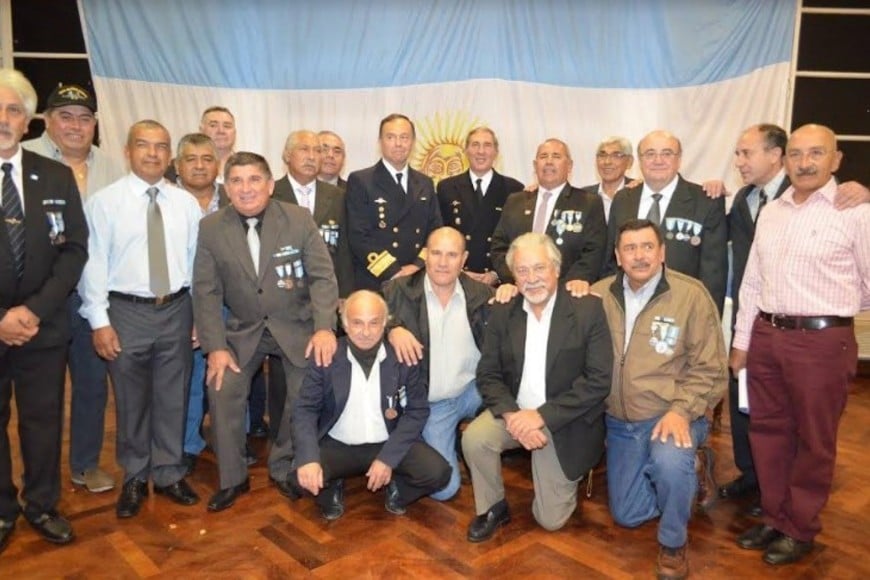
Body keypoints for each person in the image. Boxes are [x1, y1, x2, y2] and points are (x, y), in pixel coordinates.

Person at [730, 124, 870, 566]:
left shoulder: (856, 212)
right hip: (768, 336)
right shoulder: (773, 211)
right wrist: (742, 342)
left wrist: (833, 309)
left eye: (816, 153)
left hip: (822, 342)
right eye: (795, 154)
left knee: (814, 439)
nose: (804, 163)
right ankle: (774, 516)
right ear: (784, 160)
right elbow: (752, 281)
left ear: (836, 159)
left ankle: (800, 527)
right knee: (769, 432)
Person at [192, 151, 339, 512]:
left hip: (297, 326)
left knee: (303, 395)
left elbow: (323, 276)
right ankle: (233, 477)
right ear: (226, 188)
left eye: (254, 179)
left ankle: (285, 465)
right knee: (222, 388)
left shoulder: (298, 219)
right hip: (243, 330)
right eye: (237, 181)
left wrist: (324, 329)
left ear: (270, 185)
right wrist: (215, 347)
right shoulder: (211, 228)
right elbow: (206, 290)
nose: (246, 189)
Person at [591, 219, 727, 580]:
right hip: (620, 423)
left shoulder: (691, 295)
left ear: (662, 253)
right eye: (630, 249)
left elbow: (711, 368)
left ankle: (673, 543)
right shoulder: (598, 295)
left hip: (672, 414)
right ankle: (692, 471)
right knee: (628, 515)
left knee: (668, 461)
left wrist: (681, 411)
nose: (639, 256)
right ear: (618, 257)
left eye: (647, 247)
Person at [79, 120, 202, 518]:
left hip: (177, 308)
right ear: (128, 151)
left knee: (173, 394)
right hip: (126, 311)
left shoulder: (185, 203)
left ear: (170, 155)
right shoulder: (105, 202)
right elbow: (93, 264)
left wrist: (198, 315)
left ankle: (167, 472)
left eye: (161, 146)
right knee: (131, 401)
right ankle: (134, 474)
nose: (153, 153)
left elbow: (195, 263)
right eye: (144, 146)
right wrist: (99, 320)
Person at [462, 233, 612, 542]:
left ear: (557, 269)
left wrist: (541, 417)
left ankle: (566, 475)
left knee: (550, 520)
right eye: (522, 271)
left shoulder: (587, 310)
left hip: (565, 421)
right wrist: (513, 416)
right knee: (475, 438)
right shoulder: (503, 311)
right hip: (516, 412)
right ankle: (493, 507)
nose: (531, 279)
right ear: (513, 276)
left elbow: (598, 381)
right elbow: (488, 374)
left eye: (539, 268)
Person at [0, 69, 87, 551]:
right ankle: (0, 509)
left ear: (29, 120)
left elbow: (74, 250)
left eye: (14, 109)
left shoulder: (54, 175)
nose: (4, 118)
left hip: (43, 328)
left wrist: (32, 312)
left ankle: (41, 504)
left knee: (42, 419)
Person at [22, 83, 123, 494]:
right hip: (38, 299)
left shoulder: (112, 167)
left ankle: (84, 464)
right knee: (37, 398)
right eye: (65, 116)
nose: (76, 126)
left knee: (92, 386)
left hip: (92, 299)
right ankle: (37, 481)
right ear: (46, 120)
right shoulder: (22, 158)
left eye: (85, 118)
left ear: (95, 125)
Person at [292, 290, 451, 520]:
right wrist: (308, 459)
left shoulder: (403, 357)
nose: (366, 332)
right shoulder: (328, 355)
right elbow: (304, 409)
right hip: (338, 444)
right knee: (297, 478)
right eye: (357, 323)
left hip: (386, 441)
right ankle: (331, 486)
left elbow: (417, 411)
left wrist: (388, 458)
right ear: (345, 324)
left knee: (438, 473)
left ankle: (398, 490)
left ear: (385, 323)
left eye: (374, 323)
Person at [384, 227, 493, 501]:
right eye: (436, 253)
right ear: (425, 255)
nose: (443, 262)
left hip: (472, 390)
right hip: (432, 403)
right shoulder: (397, 290)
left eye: (452, 254)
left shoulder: (482, 295)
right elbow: (357, 319)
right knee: (445, 490)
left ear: (464, 259)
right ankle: (416, 443)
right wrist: (392, 328)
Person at [605, 130, 727, 315]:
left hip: (682, 309)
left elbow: (714, 273)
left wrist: (706, 318)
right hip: (626, 309)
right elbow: (610, 259)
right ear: (639, 160)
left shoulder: (705, 201)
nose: (658, 160)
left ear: (679, 159)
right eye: (650, 154)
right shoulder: (623, 199)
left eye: (667, 153)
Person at [173, 132, 227, 475]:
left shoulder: (234, 199)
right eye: (191, 159)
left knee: (230, 375)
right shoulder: (165, 200)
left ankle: (230, 441)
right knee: (191, 377)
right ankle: (188, 443)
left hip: (231, 303)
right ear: (178, 165)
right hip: (186, 304)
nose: (199, 165)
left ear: (217, 164)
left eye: (207, 159)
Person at [490, 139, 606, 294]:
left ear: (569, 166)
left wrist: (564, 287)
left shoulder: (588, 203)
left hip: (567, 294)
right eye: (543, 156)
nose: (549, 162)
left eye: (556, 156)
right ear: (535, 165)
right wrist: (517, 279)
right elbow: (499, 247)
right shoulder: (515, 201)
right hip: (520, 292)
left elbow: (594, 251)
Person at [345, 113, 442, 291]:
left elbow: (435, 231)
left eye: (404, 137)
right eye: (391, 137)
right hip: (377, 281)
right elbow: (359, 236)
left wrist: (417, 266)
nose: (398, 144)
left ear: (413, 142)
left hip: (418, 279)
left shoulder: (425, 183)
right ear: (380, 141)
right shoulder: (361, 180)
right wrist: (393, 271)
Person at [436, 127, 524, 285]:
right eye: (475, 145)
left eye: (487, 145)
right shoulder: (446, 188)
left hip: (499, 283)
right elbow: (440, 235)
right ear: (466, 150)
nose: (481, 151)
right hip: (456, 279)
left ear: (496, 152)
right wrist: (459, 272)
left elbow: (518, 242)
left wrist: (496, 274)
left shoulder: (514, 189)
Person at [273, 130, 353, 297]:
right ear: (287, 155)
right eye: (304, 149)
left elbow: (345, 249)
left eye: (317, 151)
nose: (312, 157)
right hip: (283, 290)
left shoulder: (338, 196)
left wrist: (345, 294)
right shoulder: (271, 194)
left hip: (326, 290)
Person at [580, 136, 636, 222]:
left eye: (616, 155)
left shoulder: (637, 192)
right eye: (602, 155)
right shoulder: (582, 196)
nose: (607, 162)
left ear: (629, 161)